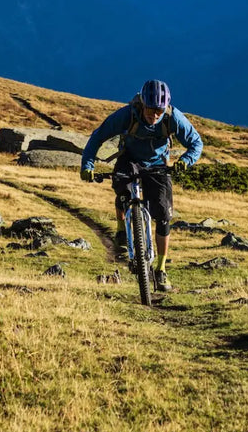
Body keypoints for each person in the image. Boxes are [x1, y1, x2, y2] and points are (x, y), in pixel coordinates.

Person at [80, 79, 203, 292]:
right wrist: (88, 164)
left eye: (159, 110)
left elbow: (196, 143)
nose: (154, 115)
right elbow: (98, 136)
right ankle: (121, 229)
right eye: (150, 109)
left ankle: (161, 269)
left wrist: (185, 160)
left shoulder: (174, 118)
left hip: (158, 165)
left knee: (163, 216)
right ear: (142, 103)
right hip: (129, 158)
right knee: (122, 191)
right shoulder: (127, 115)